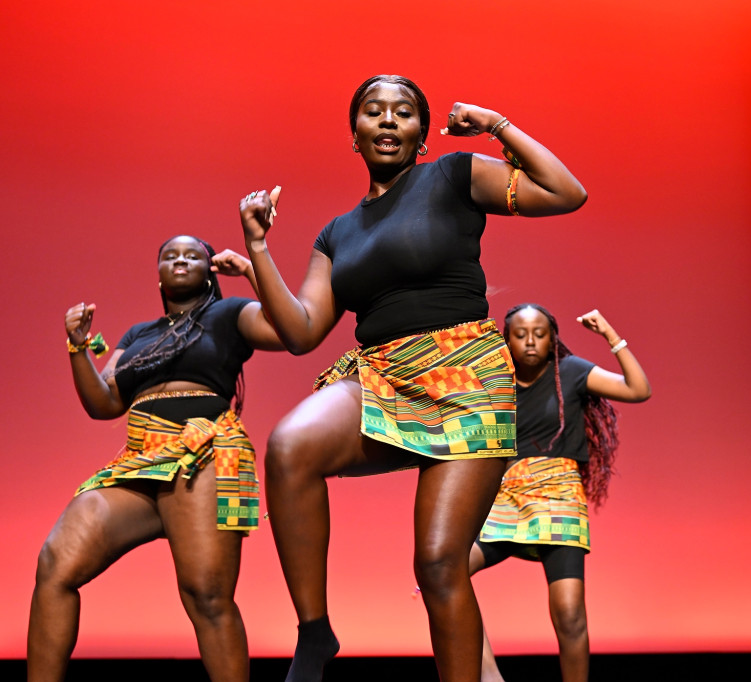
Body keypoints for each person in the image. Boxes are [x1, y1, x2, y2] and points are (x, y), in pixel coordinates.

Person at [237, 74, 587, 682]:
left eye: (404, 112)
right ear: (356, 135)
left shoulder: (452, 175)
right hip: (380, 373)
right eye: (375, 112)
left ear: (422, 134)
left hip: (465, 379)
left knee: (438, 564)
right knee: (291, 444)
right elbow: (300, 333)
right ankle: (315, 634)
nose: (389, 120)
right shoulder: (335, 233)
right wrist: (259, 248)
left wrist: (495, 125)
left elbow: (565, 192)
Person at [27, 236, 283, 682]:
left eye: (192, 255)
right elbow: (104, 403)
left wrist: (250, 268)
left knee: (206, 594)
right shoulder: (137, 335)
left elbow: (287, 330)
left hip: (204, 449)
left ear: (209, 271)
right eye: (169, 255)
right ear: (158, 273)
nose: (180, 260)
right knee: (56, 564)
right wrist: (78, 346)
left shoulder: (227, 314)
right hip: (140, 459)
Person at [466, 304, 650, 682]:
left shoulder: (571, 372)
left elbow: (638, 389)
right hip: (509, 500)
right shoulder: (496, 383)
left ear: (552, 340)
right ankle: (488, 675)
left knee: (569, 613)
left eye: (539, 333)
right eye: (520, 334)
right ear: (507, 340)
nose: (530, 341)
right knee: (446, 571)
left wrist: (611, 336)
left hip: (560, 499)